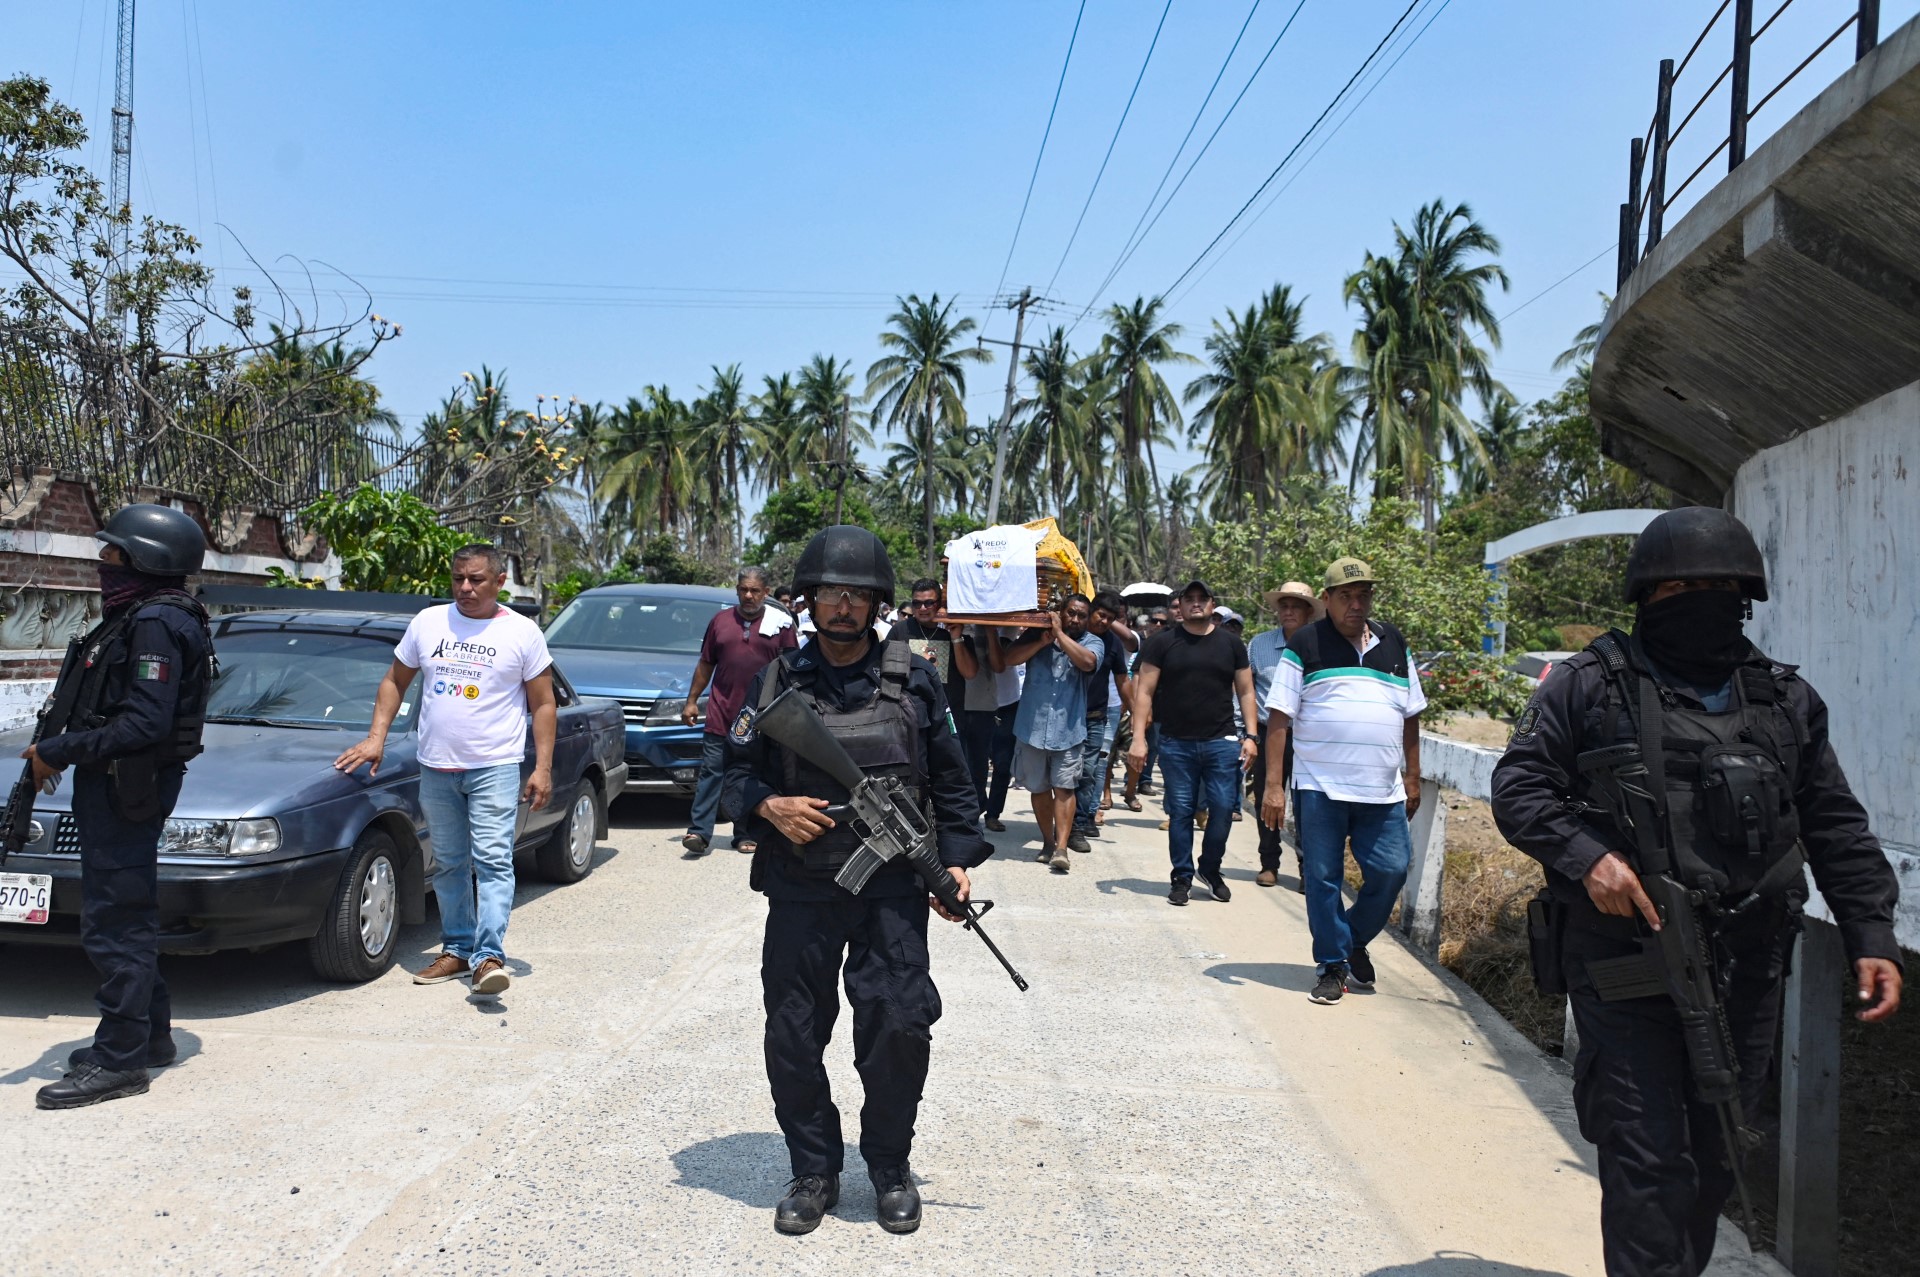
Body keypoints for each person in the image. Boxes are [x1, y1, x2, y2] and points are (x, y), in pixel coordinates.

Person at [1490, 507, 1902, 1277]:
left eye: (1719, 586)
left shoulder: (1785, 701)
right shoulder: (1589, 684)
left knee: (1717, 1153)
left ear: (1744, 597)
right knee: (1647, 1158)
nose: (1701, 597)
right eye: (1682, 585)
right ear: (1648, 594)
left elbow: (1835, 822)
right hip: (1627, 963)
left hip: (1747, 967)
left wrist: (1870, 934)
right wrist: (1590, 860)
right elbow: (1518, 788)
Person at [722, 525, 993, 1237]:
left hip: (894, 889)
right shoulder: (777, 680)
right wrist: (767, 805)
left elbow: (955, 784)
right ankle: (813, 1169)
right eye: (832, 593)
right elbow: (731, 772)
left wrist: (955, 861)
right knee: (793, 1032)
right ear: (809, 599)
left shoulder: (916, 678)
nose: (844, 605)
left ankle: (888, 1165)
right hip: (802, 889)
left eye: (860, 594)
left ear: (878, 602)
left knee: (900, 1028)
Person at [26, 505, 215, 1109]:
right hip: (117, 786)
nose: (102, 564)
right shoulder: (141, 616)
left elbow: (144, 722)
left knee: (116, 925)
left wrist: (59, 749)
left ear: (144, 559)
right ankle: (150, 1038)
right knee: (125, 916)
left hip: (124, 788)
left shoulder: (156, 623)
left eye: (112, 554)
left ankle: (120, 1061)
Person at [336, 545, 556, 997]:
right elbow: (395, 681)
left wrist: (544, 767)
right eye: (458, 579)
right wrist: (377, 736)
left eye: (476, 580)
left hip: (494, 766)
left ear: (499, 582)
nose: (465, 588)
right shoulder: (429, 622)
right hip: (436, 766)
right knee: (451, 863)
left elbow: (544, 703)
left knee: (492, 860)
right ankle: (457, 949)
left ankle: (488, 956)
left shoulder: (522, 632)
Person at [1260, 557, 1424, 1005]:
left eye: (1364, 594)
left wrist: (1413, 775)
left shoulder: (1394, 644)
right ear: (1326, 600)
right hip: (1320, 787)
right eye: (1346, 596)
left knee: (1392, 869)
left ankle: (1350, 941)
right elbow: (1278, 719)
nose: (1357, 604)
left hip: (1382, 789)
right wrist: (1273, 787)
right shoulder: (1307, 644)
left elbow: (1411, 715)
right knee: (1323, 878)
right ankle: (1332, 966)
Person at [1128, 581, 1258, 906]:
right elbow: (1143, 691)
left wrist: (1252, 737)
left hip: (1222, 741)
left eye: (1203, 599)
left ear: (1212, 604)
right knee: (1182, 811)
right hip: (1175, 742)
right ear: (1181, 606)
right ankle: (1181, 877)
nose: (1196, 604)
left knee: (1224, 809)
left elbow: (1245, 691)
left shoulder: (1231, 644)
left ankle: (1210, 870)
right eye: (1190, 599)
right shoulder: (1162, 643)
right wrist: (1139, 739)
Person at [682, 567, 797, 856]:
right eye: (744, 589)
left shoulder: (781, 625)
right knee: (711, 772)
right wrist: (692, 700)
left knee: (750, 776)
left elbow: (793, 670)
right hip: (721, 713)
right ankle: (699, 832)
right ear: (736, 590)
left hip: (760, 719)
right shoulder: (720, 622)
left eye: (755, 590)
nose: (748, 595)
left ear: (766, 593)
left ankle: (743, 833)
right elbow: (706, 663)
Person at [993, 596, 1102, 872]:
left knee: (1065, 788)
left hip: (1069, 731)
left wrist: (1060, 635)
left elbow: (1088, 663)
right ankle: (1048, 842)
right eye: (1071, 614)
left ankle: (1062, 849)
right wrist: (1042, 641)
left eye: (1081, 615)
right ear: (1060, 612)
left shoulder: (1092, 641)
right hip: (1032, 728)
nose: (1075, 619)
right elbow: (1008, 660)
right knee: (1039, 789)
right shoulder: (1035, 634)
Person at [1247, 582, 1318, 889]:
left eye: (1296, 606)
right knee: (1268, 797)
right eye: (1284, 606)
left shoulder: (1323, 645)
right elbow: (1246, 691)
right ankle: (1269, 863)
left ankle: (1306, 867)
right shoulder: (1258, 645)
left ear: (1309, 611)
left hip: (1308, 737)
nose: (1288, 611)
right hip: (1267, 733)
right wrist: (1246, 733)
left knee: (1307, 802)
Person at [1069, 590, 1135, 851]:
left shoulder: (1113, 643)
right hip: (1068, 716)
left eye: (1111, 619)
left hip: (1097, 716)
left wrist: (1137, 715)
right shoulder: (1074, 636)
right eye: (1102, 616)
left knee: (1089, 773)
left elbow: (1122, 680)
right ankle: (1063, 821)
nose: (1105, 622)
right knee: (1064, 775)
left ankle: (1080, 823)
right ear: (1091, 611)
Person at [956, 623, 1021, 831]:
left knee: (995, 765)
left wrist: (991, 631)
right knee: (962, 765)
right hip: (957, 704)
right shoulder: (950, 622)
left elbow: (998, 665)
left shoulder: (1002, 627)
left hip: (992, 704)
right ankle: (968, 811)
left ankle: (991, 812)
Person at [1124, 606, 1173, 804]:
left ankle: (1170, 802)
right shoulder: (1150, 643)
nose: (1159, 625)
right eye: (1155, 621)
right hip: (1150, 707)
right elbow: (1136, 675)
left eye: (1163, 622)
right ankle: (1131, 787)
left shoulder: (1181, 641)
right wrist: (1138, 710)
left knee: (1168, 758)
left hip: (1173, 712)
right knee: (1143, 748)